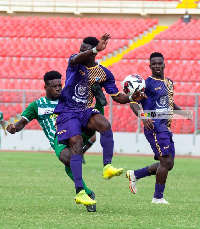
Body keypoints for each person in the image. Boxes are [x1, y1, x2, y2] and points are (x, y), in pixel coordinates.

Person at [54, 33, 147, 206]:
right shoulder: (74, 63)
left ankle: (107, 167)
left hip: (84, 110)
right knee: (76, 144)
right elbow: (77, 58)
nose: (80, 52)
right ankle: (80, 191)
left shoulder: (104, 73)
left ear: (93, 53)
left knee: (105, 125)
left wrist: (132, 97)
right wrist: (94, 49)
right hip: (67, 111)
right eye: (81, 49)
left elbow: (117, 97)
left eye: (85, 50)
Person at [6, 70, 98, 212]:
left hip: (74, 132)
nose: (58, 88)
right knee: (67, 159)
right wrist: (14, 127)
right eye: (54, 86)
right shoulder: (37, 105)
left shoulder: (68, 100)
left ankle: (84, 190)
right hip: (58, 138)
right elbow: (22, 122)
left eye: (59, 85)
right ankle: (87, 192)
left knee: (92, 128)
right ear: (46, 88)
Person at [126, 52, 190, 204]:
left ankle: (135, 174)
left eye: (159, 63)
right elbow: (133, 102)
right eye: (153, 64)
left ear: (164, 64)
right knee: (166, 162)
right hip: (154, 127)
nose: (157, 66)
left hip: (166, 127)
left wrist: (184, 113)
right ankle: (158, 197)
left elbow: (169, 103)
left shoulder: (169, 83)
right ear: (149, 66)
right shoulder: (146, 84)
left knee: (169, 164)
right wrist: (143, 116)